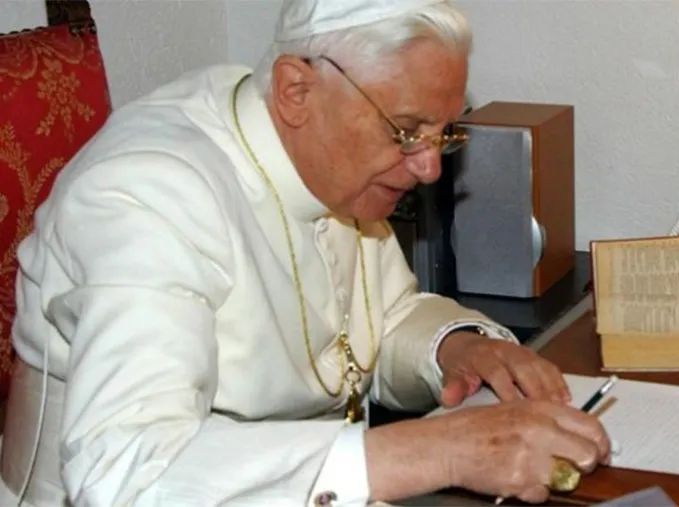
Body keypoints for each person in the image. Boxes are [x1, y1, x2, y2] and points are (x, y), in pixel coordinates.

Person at [0, 0, 611, 505]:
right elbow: (124, 473)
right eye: (406, 131)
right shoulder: (147, 192)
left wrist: (456, 346)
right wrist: (442, 450)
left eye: (442, 134)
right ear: (296, 90)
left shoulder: (322, 158)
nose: (428, 168)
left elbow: (369, 326)